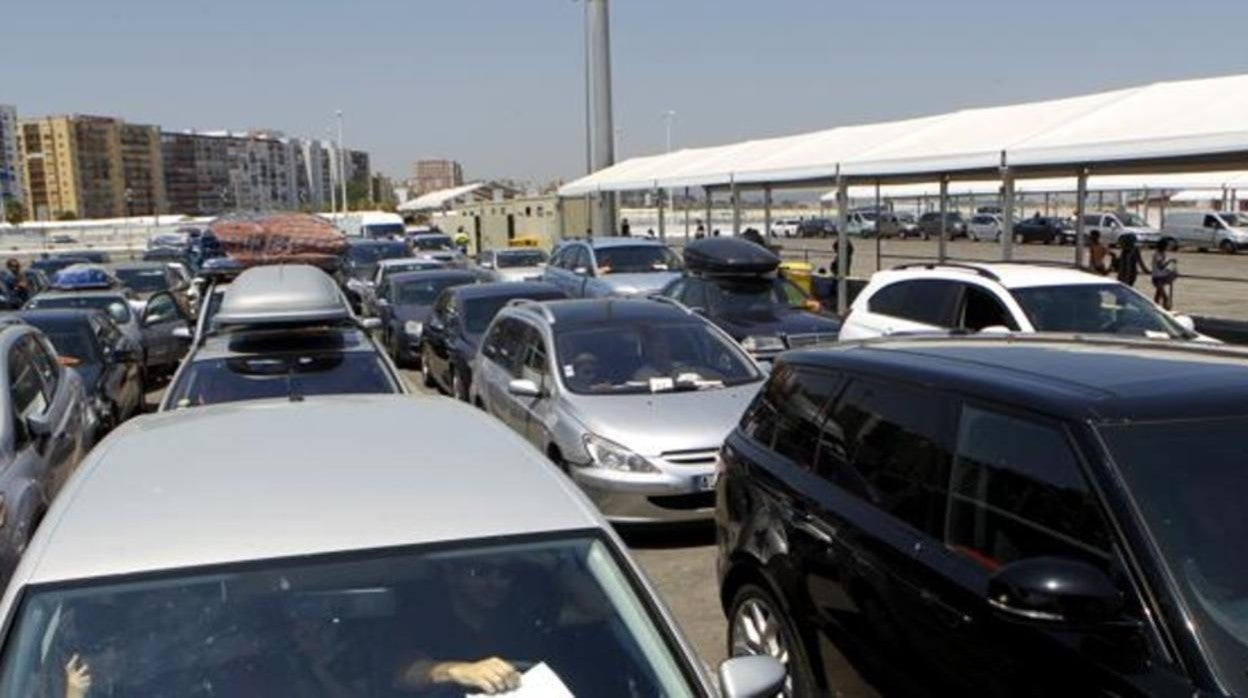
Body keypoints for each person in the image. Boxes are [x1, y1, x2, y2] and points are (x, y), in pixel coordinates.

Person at [1151, 238, 1178, 309]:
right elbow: (1160, 266)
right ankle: (1166, 310)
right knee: (1164, 297)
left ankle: (1155, 308)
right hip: (1157, 278)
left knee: (1158, 295)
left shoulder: (1162, 253)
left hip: (1161, 276)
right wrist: (1170, 261)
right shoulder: (1157, 254)